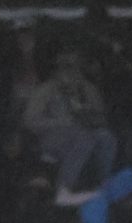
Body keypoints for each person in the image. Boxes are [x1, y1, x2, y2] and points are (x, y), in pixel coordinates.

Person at [24, 49, 117, 200]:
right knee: (84, 139)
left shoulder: (87, 89)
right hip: (52, 136)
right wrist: (61, 122)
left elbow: (102, 117)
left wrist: (88, 116)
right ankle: (64, 189)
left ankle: (103, 184)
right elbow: (29, 120)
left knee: (107, 138)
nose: (71, 71)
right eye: (66, 66)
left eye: (75, 66)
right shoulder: (46, 90)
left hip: (85, 131)